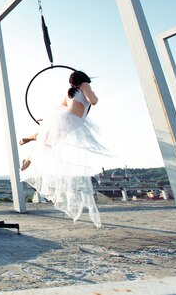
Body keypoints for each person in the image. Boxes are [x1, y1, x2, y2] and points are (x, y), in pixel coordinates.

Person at [19, 70, 113, 227]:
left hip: (65, 118)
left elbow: (59, 108)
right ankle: (28, 150)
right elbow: (93, 101)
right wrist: (91, 93)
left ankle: (28, 154)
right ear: (82, 80)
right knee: (48, 141)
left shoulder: (70, 91)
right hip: (72, 121)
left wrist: (47, 119)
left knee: (47, 141)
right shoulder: (84, 85)